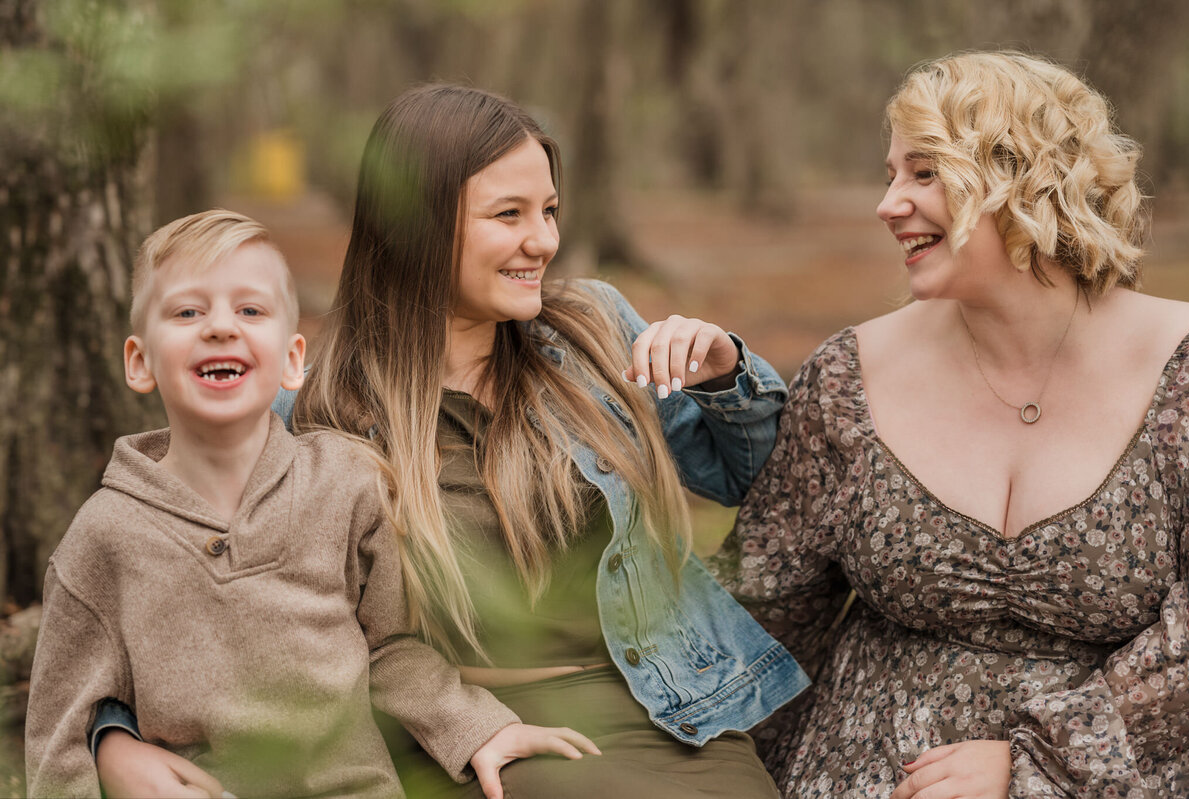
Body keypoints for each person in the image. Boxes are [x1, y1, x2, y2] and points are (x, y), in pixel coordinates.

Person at [91, 85, 806, 797]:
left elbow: (758, 477)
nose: (544, 240)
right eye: (509, 215)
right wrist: (114, 735)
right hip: (443, 734)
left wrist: (722, 374)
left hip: (661, 709)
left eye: (549, 210)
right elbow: (152, 569)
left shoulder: (594, 332)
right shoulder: (310, 404)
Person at [717, 50, 1189, 798]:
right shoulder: (848, 377)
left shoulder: (1186, 371)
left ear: (1023, 179)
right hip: (868, 772)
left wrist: (1040, 764)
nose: (888, 204)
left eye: (924, 172)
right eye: (890, 175)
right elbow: (762, 611)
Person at [25, 209, 597, 799]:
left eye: (250, 310)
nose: (221, 327)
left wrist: (477, 729)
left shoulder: (346, 484)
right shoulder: (104, 535)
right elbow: (59, 737)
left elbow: (391, 648)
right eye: (187, 312)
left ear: (294, 359)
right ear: (140, 361)